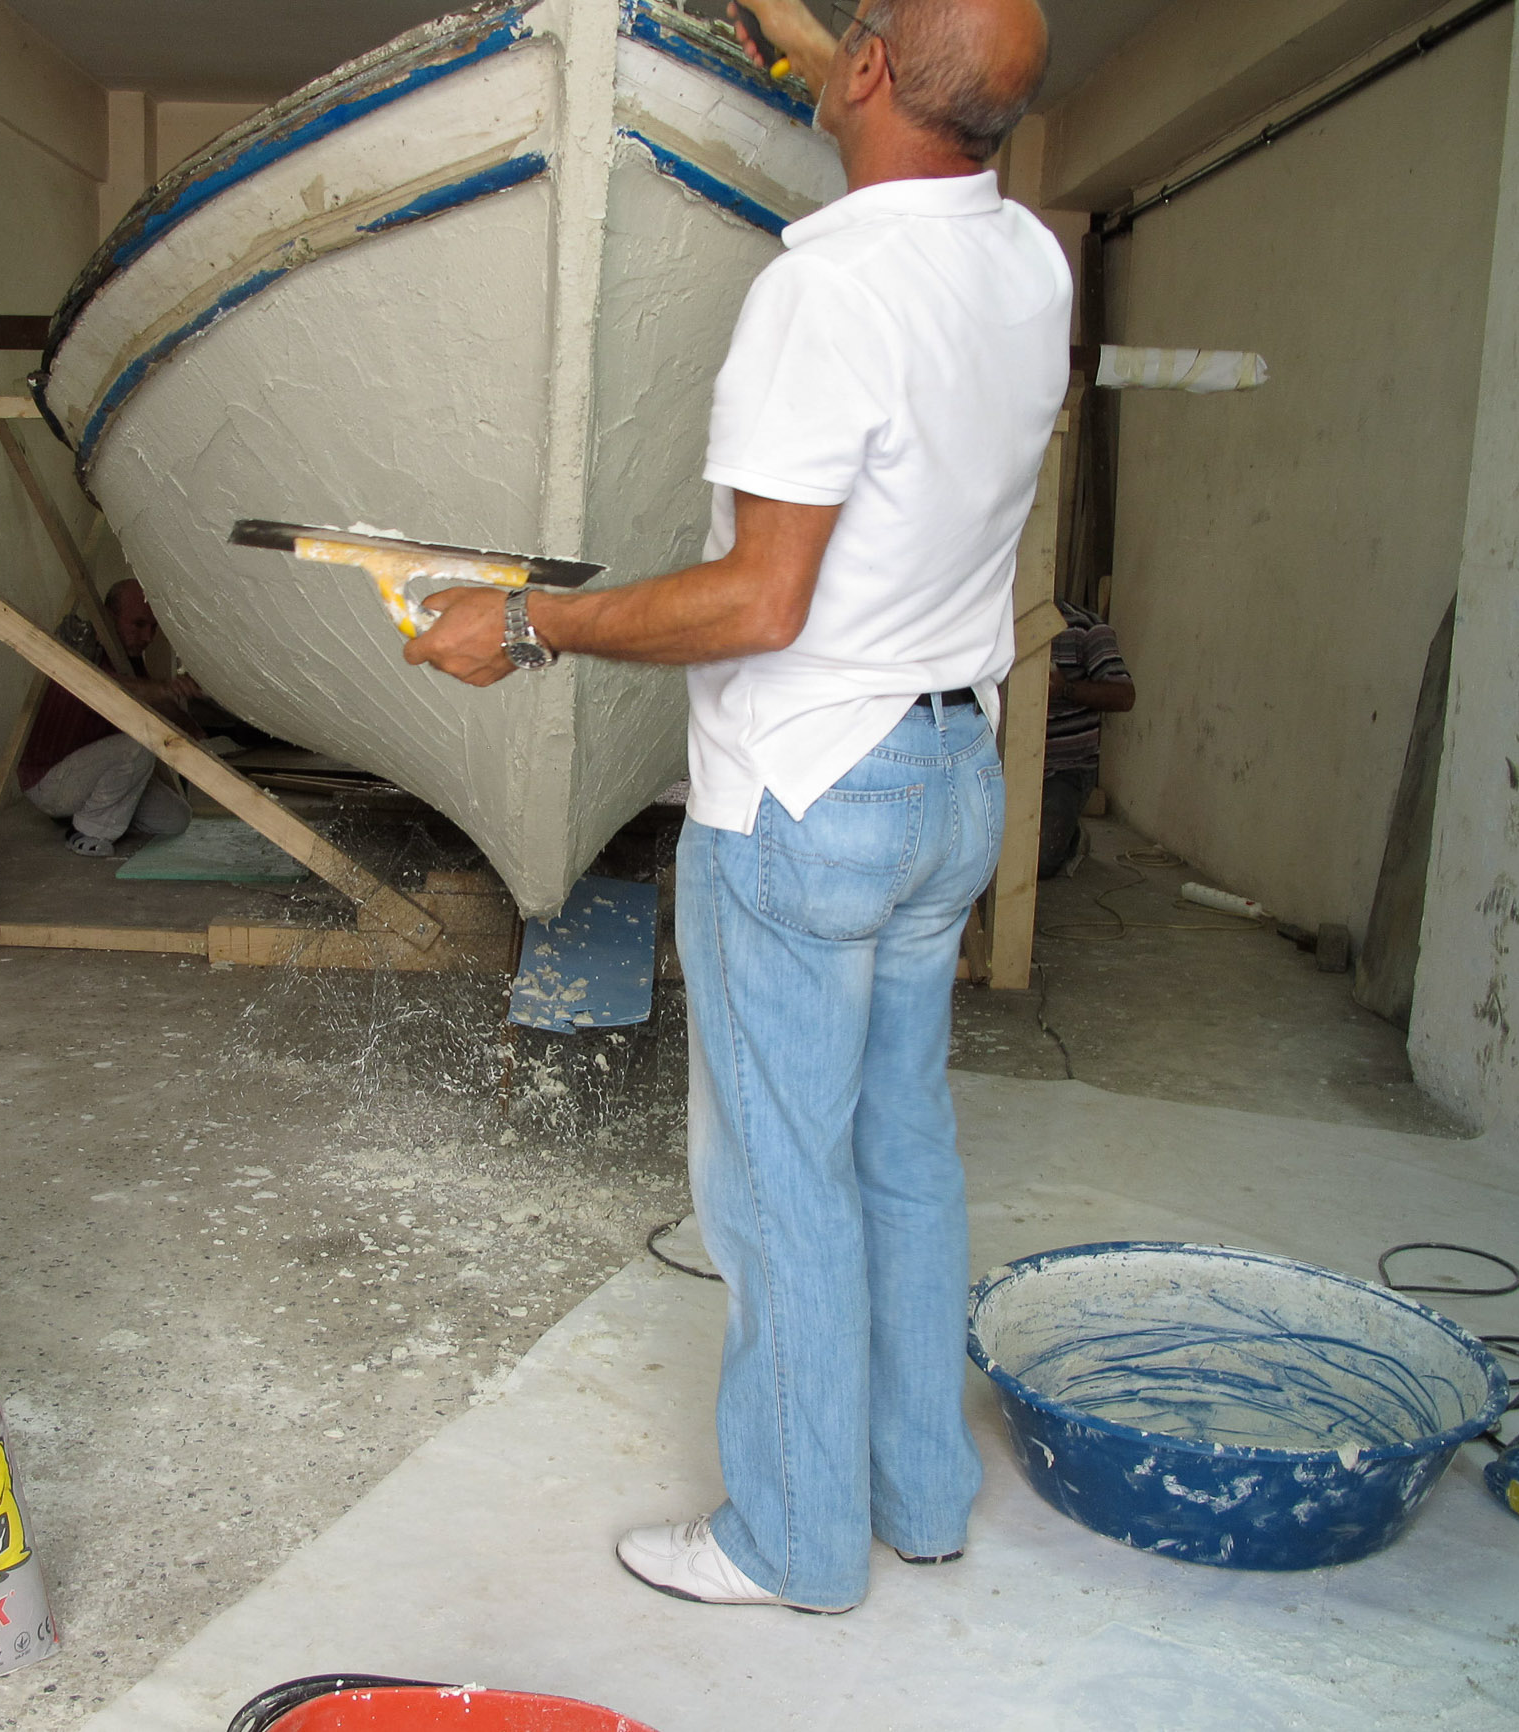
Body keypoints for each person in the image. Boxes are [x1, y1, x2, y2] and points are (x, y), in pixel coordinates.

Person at [405, 0, 1065, 1613]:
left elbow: (760, 602)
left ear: (870, 71)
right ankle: (917, 1496)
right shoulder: (1027, 263)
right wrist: (802, 28)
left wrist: (527, 624)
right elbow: (901, 84)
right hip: (947, 780)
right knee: (901, 1154)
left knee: (778, 1187)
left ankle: (792, 1543)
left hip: (806, 796)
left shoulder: (820, 291)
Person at [18, 578, 200, 858]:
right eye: (138, 625)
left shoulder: (128, 660)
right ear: (108, 617)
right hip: (50, 782)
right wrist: (165, 688)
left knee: (176, 819)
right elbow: (107, 688)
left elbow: (156, 704)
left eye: (153, 628)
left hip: (91, 775)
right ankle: (87, 832)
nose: (147, 637)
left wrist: (191, 724)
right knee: (139, 746)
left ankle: (90, 811)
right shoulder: (84, 648)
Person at [1040, 599, 1134, 877]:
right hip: (1002, 764)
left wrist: (1065, 688)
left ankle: (1072, 838)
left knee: (1039, 861)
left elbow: (1124, 696)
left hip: (1065, 769)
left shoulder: (1086, 628)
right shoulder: (991, 618)